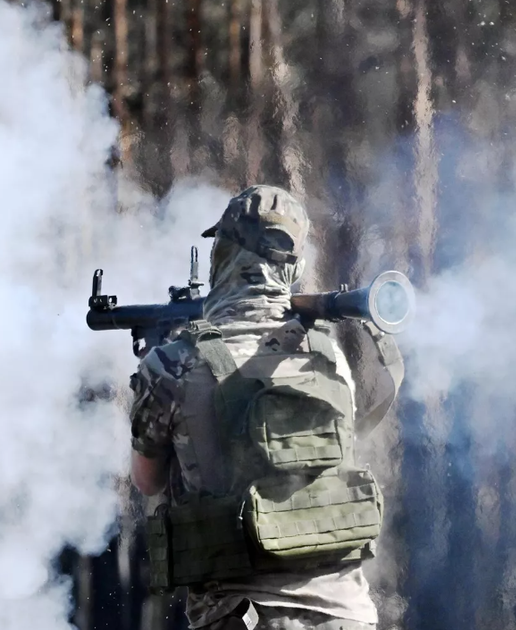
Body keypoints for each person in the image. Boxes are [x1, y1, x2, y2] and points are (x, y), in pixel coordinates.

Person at [128, 185, 399, 630]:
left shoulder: (172, 364)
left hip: (242, 618)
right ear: (293, 265)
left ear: (223, 255)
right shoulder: (327, 355)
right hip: (345, 616)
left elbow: (147, 480)